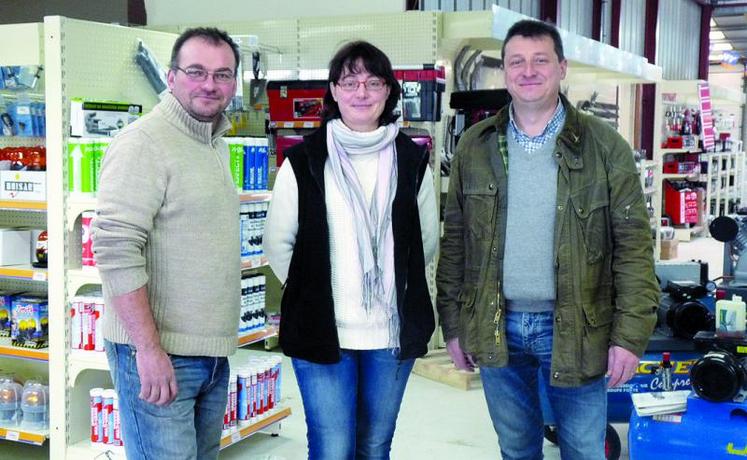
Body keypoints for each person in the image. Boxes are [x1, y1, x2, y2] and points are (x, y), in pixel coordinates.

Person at [436, 19, 659, 460]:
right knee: (516, 448)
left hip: (580, 326)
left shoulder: (604, 146)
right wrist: (455, 325)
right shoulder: (475, 147)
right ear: (504, 70)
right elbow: (456, 244)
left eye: (541, 60)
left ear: (562, 68)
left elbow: (633, 247)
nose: (528, 70)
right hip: (498, 326)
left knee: (582, 448)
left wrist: (629, 335)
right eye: (516, 62)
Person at [264, 40, 438, 459]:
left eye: (373, 82)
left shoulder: (412, 162)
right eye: (350, 81)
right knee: (332, 448)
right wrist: (313, 291)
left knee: (375, 446)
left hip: (389, 335)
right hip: (324, 330)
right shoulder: (304, 160)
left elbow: (426, 244)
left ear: (388, 92)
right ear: (335, 91)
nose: (361, 92)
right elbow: (278, 243)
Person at [92, 27, 240, 460]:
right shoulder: (143, 143)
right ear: (171, 77)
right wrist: (149, 350)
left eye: (222, 74)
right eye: (196, 71)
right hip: (162, 356)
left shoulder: (211, 142)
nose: (210, 84)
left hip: (209, 359)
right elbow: (115, 249)